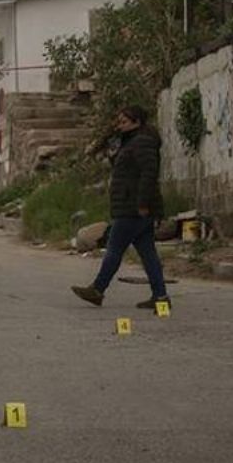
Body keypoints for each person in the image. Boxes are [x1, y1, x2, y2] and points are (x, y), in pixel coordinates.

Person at [71, 105, 171, 310]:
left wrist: (142, 203)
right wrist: (113, 146)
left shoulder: (142, 142)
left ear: (137, 122)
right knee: (148, 254)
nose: (120, 125)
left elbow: (149, 173)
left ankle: (97, 289)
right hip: (131, 205)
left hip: (133, 207)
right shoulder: (131, 141)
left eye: (124, 122)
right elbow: (123, 167)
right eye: (119, 121)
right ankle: (160, 297)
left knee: (114, 249)